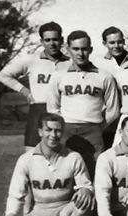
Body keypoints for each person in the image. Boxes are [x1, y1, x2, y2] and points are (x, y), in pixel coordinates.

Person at [2, 113, 93, 216]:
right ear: (39, 131)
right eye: (48, 130)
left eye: (58, 130)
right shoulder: (26, 159)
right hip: (40, 211)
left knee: (84, 203)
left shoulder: (73, 157)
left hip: (64, 209)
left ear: (62, 132)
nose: (53, 135)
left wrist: (85, 189)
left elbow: (86, 184)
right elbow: (15, 195)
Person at [47, 30, 120, 177]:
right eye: (75, 49)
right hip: (66, 128)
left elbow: (113, 109)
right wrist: (62, 126)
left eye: (84, 49)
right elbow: (53, 108)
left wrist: (99, 127)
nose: (80, 53)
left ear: (90, 50)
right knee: (63, 171)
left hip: (93, 129)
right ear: (67, 50)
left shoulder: (104, 76)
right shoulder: (58, 75)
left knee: (95, 171)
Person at [0, 21, 70, 151]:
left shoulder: (70, 62)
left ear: (62, 40)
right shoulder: (32, 60)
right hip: (38, 111)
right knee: (32, 155)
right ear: (42, 41)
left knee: (63, 157)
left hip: (63, 111)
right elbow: (3, 75)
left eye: (55, 39)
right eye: (47, 40)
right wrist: (25, 91)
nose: (52, 43)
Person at [93, 26, 128, 150]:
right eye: (112, 42)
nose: (116, 45)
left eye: (119, 42)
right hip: (108, 117)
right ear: (105, 43)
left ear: (124, 42)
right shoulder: (98, 63)